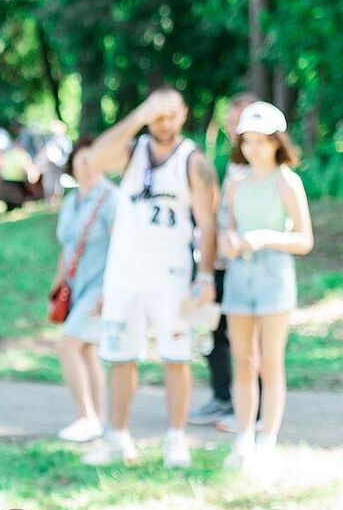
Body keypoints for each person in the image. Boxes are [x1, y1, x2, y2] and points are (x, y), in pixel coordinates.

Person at [78, 87, 219, 468]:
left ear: (184, 114)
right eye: (157, 114)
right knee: (121, 357)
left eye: (171, 113)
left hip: (171, 278)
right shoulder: (132, 151)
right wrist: (140, 114)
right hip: (125, 276)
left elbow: (208, 224)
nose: (164, 120)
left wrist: (205, 275)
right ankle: (117, 437)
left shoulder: (194, 161)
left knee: (176, 358)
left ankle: (176, 439)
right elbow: (95, 158)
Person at [219, 102, 313, 474]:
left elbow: (305, 239)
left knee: (270, 361)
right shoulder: (235, 180)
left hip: (274, 276)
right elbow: (227, 221)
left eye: (261, 141)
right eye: (247, 141)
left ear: (276, 142)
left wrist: (266, 238)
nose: (253, 148)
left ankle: (267, 440)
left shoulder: (287, 181)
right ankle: (242, 438)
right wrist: (229, 239)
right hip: (240, 277)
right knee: (243, 360)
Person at [190, 91, 260, 430]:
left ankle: (254, 411)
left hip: (246, 265)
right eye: (231, 123)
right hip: (217, 262)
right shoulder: (227, 163)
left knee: (246, 340)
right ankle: (222, 398)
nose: (234, 129)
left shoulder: (262, 168)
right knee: (210, 330)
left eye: (241, 122)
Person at [51, 136, 117, 442]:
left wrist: (110, 291)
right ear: (73, 164)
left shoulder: (110, 199)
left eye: (94, 160)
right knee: (87, 350)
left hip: (101, 286)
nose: (89, 167)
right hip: (76, 287)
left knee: (68, 346)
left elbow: (122, 247)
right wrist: (58, 282)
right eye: (82, 160)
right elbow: (67, 245)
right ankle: (98, 418)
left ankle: (85, 416)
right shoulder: (71, 200)